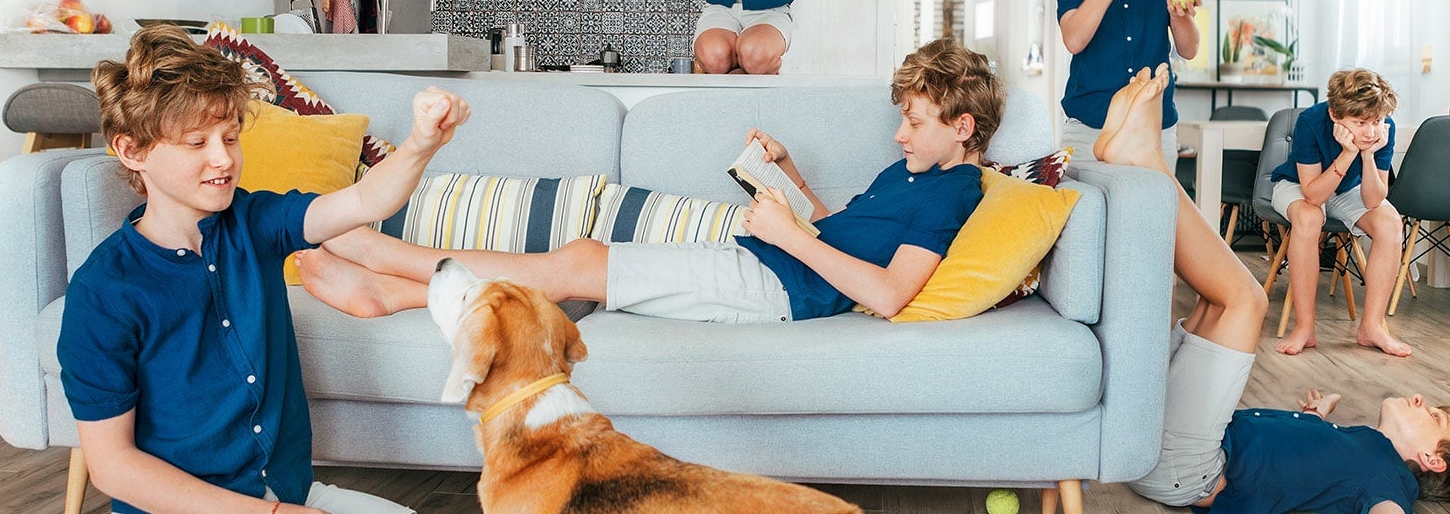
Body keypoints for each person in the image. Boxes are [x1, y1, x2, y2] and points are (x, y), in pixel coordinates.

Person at [58, 25, 470, 514]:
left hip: (290, 495)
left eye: (230, 138)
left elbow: (366, 200)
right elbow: (112, 466)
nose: (223, 159)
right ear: (132, 151)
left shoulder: (255, 221)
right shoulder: (103, 292)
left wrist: (422, 143)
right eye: (196, 143)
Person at [298, 39, 999, 324]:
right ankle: (396, 292)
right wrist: (787, 175)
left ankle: (390, 259)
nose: (900, 134)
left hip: (780, 288)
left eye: (914, 121)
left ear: (962, 126)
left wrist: (788, 235)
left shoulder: (955, 191)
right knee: (577, 272)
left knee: (578, 263)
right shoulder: (913, 170)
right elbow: (839, 231)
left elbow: (889, 292)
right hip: (770, 261)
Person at [1093, 68, 1450, 513]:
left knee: (1244, 300)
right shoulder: (1366, 445)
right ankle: (1139, 159)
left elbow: (1381, 506)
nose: (1423, 402)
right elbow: (1311, 471)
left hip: (1189, 469)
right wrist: (1315, 419)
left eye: (1435, 417)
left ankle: (1147, 160)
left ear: (1432, 461)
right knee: (1214, 302)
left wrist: (1366, 156)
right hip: (1167, 448)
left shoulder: (1389, 483)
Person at [1269, 69, 1411, 357]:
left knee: (1390, 222)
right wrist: (1347, 154)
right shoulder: (1311, 120)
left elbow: (1373, 200)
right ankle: (1305, 327)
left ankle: (1372, 327)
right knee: (1309, 218)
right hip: (1301, 184)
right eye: (1360, 123)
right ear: (1335, 115)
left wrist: (1367, 155)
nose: (1370, 132)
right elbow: (1313, 195)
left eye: (1376, 121)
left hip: (1349, 188)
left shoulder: (1384, 128)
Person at [1055, 0, 1202, 174]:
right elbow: (1074, 40)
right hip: (1088, 131)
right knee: (1087, 203)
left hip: (1155, 131)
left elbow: (1189, 50)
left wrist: (1180, 16)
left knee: (1156, 202)